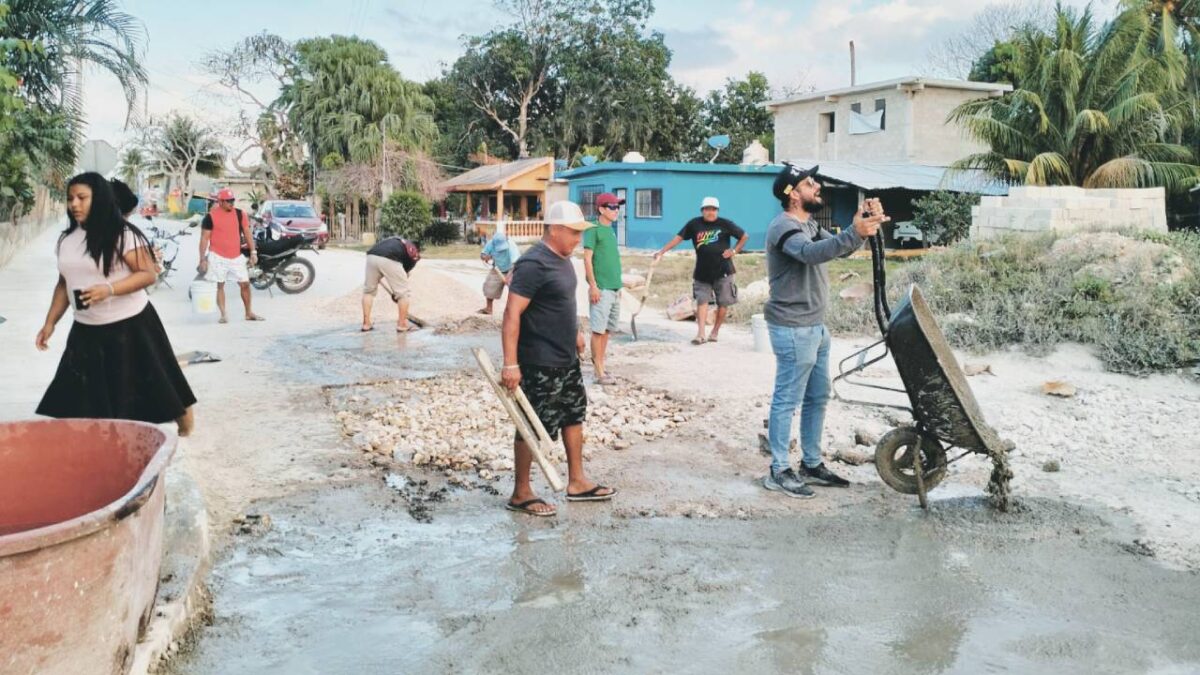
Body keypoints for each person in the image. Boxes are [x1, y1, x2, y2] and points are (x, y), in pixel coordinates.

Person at [35, 172, 196, 436]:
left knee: (159, 379)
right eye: (70, 198)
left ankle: (185, 424)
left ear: (98, 199)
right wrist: (50, 322)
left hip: (132, 324)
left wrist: (108, 290)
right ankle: (104, 442)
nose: (74, 204)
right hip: (86, 329)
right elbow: (64, 284)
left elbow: (148, 274)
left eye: (82, 198)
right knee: (83, 391)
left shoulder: (123, 235)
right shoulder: (66, 240)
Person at [761, 164, 888, 498]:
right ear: (792, 194)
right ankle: (778, 470)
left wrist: (862, 225)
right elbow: (809, 254)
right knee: (787, 400)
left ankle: (811, 464)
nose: (816, 186)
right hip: (792, 328)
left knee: (817, 397)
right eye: (808, 182)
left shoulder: (810, 223)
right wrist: (854, 231)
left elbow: (839, 248)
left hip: (815, 327)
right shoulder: (784, 227)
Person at [501, 200, 616, 517]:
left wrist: (576, 331)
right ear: (554, 230)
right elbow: (512, 314)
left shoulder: (563, 259)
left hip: (566, 359)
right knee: (532, 425)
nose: (578, 239)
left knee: (573, 415)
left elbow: (562, 302)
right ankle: (521, 492)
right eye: (574, 233)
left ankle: (577, 482)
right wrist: (510, 363)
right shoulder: (533, 264)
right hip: (539, 361)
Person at [653, 196, 748, 345]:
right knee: (702, 301)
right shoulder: (694, 224)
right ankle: (701, 334)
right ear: (702, 210)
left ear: (717, 210)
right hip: (702, 271)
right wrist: (661, 252)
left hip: (724, 271)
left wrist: (734, 251)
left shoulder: (725, 224)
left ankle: (715, 331)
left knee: (723, 303)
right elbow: (678, 238)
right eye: (707, 209)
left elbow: (744, 236)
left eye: (713, 209)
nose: (711, 212)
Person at [198, 188, 262, 324]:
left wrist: (253, 252)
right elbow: (204, 239)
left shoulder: (240, 214)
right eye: (228, 201)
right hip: (217, 256)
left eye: (232, 200)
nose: (231, 203)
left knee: (245, 284)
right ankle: (223, 314)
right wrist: (202, 259)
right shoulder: (210, 217)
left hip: (236, 256)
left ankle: (248, 313)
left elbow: (247, 233)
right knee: (220, 285)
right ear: (220, 202)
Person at [583, 193, 624, 385]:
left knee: (607, 329)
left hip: (615, 288)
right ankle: (598, 371)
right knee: (598, 330)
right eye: (612, 207)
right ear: (601, 209)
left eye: (618, 207)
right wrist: (593, 286)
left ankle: (602, 365)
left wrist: (619, 286)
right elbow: (587, 259)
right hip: (601, 288)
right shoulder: (593, 229)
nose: (616, 210)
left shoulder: (611, 230)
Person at [362, 235, 419, 332]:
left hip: (371, 256)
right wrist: (398, 294)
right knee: (403, 294)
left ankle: (366, 324)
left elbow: (389, 268)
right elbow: (404, 274)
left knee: (368, 292)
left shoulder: (396, 241)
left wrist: (378, 277)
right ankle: (402, 324)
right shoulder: (413, 250)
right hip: (389, 257)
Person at [478, 222, 520, 316]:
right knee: (489, 286)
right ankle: (489, 309)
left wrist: (509, 276)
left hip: (512, 269)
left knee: (515, 291)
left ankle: (513, 312)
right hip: (497, 269)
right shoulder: (491, 243)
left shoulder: (511, 245)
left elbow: (515, 263)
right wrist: (486, 257)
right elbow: (482, 255)